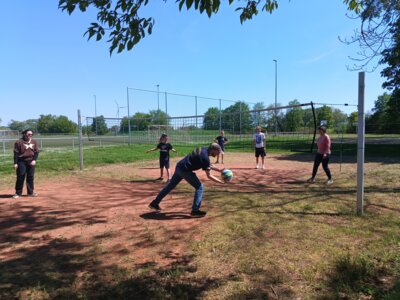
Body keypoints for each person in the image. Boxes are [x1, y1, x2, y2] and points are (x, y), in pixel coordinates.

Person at [148, 143, 226, 217]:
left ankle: (154, 203)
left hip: (179, 167)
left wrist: (220, 170)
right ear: (213, 149)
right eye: (218, 152)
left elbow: (208, 164)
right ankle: (195, 210)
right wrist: (220, 182)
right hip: (185, 171)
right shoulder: (205, 157)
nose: (218, 154)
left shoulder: (203, 149)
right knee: (200, 187)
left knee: (170, 186)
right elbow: (209, 176)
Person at [12, 129, 40, 199]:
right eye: (28, 134)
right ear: (24, 134)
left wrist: (34, 160)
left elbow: (36, 152)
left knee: (30, 177)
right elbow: (16, 153)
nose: (30, 136)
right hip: (21, 161)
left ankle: (30, 192)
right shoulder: (18, 142)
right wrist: (15, 163)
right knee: (20, 176)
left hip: (31, 161)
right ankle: (18, 193)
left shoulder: (34, 142)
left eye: (31, 134)